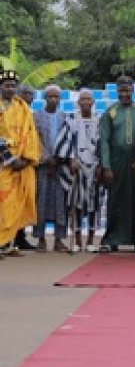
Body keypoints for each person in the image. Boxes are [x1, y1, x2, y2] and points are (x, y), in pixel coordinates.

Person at [99, 76, 135, 252]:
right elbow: (104, 141)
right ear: (117, 92)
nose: (124, 94)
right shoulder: (110, 112)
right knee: (115, 200)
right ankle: (111, 239)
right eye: (121, 91)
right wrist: (106, 167)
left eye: (127, 90)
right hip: (116, 164)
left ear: (133, 90)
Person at [56, 89, 102, 253]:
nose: (85, 102)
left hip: (94, 167)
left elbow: (103, 144)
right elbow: (65, 140)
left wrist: (101, 165)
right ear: (78, 102)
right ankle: (76, 241)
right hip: (77, 167)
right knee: (75, 205)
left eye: (88, 99)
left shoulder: (99, 120)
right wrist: (71, 159)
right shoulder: (71, 120)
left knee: (93, 206)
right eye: (82, 99)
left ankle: (90, 240)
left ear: (93, 102)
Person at [0, 69, 39, 258]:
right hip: (3, 164)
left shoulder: (21, 106)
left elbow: (30, 133)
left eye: (13, 86)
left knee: (16, 205)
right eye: (7, 86)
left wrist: (26, 158)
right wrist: (9, 158)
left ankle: (8, 243)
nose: (10, 89)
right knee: (3, 204)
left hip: (21, 162)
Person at [32, 85, 69, 252]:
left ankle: (59, 239)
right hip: (42, 166)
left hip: (60, 166)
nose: (53, 99)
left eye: (56, 97)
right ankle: (40, 238)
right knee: (41, 201)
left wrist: (59, 158)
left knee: (60, 202)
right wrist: (47, 159)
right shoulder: (36, 117)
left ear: (60, 99)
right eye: (50, 96)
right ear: (45, 98)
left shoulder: (64, 117)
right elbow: (34, 140)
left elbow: (68, 140)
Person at [13, 83, 36, 250]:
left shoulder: (31, 115)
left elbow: (34, 140)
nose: (28, 97)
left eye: (31, 94)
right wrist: (11, 159)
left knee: (22, 204)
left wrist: (27, 159)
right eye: (25, 93)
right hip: (8, 165)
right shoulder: (8, 112)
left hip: (26, 165)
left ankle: (20, 238)